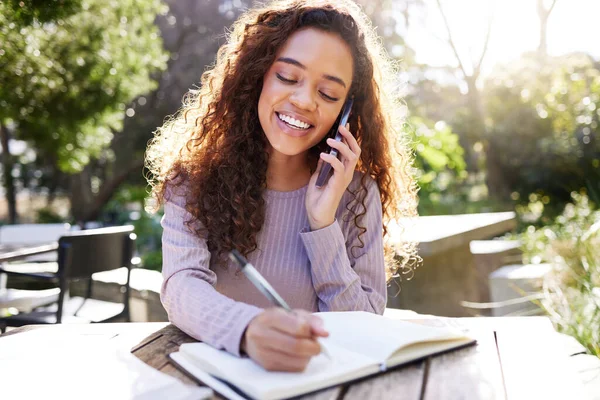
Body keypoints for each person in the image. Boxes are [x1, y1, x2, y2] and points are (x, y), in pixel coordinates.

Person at [144, 0, 418, 372]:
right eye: (288, 77)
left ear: (346, 111)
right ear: (257, 76)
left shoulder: (355, 193)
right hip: (221, 381)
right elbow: (181, 286)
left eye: (328, 94)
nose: (304, 101)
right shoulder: (195, 177)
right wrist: (248, 330)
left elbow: (366, 321)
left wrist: (323, 226)